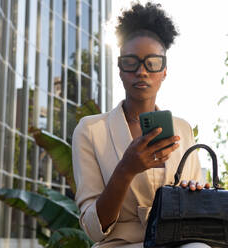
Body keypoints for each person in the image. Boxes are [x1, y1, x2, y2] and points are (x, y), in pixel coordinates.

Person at [72, 2, 210, 247]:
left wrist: (194, 192)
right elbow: (93, 229)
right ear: (120, 68)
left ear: (164, 71)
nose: (142, 72)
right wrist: (125, 169)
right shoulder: (91, 131)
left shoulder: (183, 130)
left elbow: (195, 205)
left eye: (152, 63)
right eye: (131, 62)